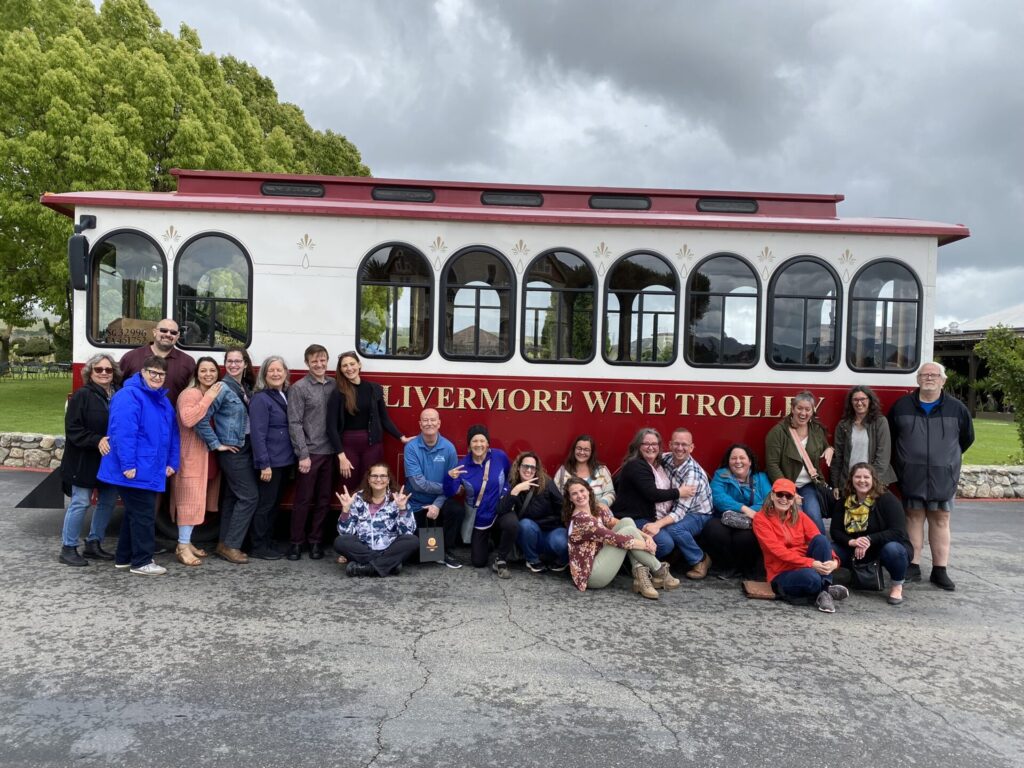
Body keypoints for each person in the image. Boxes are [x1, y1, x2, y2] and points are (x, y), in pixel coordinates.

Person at [889, 361, 974, 591]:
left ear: (943, 380)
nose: (929, 378)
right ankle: (913, 565)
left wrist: (945, 461)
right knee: (913, 517)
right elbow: (893, 439)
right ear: (917, 379)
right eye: (924, 374)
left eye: (934, 375)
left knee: (940, 519)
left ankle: (940, 570)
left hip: (942, 476)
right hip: (912, 474)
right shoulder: (901, 406)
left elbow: (966, 439)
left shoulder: (957, 409)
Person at [97, 355, 180, 576]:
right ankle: (142, 561)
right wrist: (127, 465)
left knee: (135, 514)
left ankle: (124, 558)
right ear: (142, 372)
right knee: (143, 514)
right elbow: (123, 433)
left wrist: (173, 461)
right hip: (134, 470)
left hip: (149, 468)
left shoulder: (162, 400)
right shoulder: (129, 396)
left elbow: (172, 433)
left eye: (161, 374)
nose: (157, 377)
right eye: (152, 372)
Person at [565, 476, 677, 599]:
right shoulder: (582, 520)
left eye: (582, 491)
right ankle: (659, 570)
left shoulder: (595, 509)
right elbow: (617, 540)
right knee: (627, 533)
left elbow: (615, 522)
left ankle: (641, 575)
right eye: (574, 494)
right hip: (591, 575)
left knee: (627, 521)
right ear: (570, 499)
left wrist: (647, 537)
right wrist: (646, 546)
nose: (580, 496)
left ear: (588, 490)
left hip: (599, 556)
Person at [195, 348, 258, 565]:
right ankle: (232, 546)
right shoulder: (221, 388)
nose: (233, 365)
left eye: (237, 361)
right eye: (229, 361)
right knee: (250, 497)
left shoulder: (243, 387)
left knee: (233, 496)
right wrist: (216, 444)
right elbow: (201, 418)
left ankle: (224, 543)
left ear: (245, 364)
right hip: (233, 450)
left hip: (246, 446)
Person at [58, 354, 122, 566]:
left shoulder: (118, 395)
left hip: (109, 459)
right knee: (81, 502)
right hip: (83, 459)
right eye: (99, 369)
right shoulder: (81, 396)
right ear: (90, 372)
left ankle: (94, 543)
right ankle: (68, 548)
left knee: (108, 501)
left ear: (114, 373)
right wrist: (96, 440)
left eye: (108, 370)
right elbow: (73, 429)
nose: (104, 373)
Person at [753, 478, 849, 613]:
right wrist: (811, 563)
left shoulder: (800, 516)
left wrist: (834, 561)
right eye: (780, 494)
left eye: (789, 496)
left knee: (820, 539)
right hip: (781, 572)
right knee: (812, 577)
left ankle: (824, 591)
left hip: (805, 566)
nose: (784, 499)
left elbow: (819, 539)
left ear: (793, 499)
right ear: (772, 495)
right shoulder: (760, 519)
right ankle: (826, 590)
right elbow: (778, 552)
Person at [830, 463, 913, 606]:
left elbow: (898, 531)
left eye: (866, 477)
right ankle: (824, 584)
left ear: (873, 479)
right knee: (828, 549)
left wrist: (869, 539)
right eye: (858, 477)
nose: (862, 480)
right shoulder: (845, 501)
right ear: (851, 479)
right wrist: (852, 542)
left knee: (893, 550)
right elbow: (835, 531)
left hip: (883, 547)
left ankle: (897, 586)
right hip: (854, 548)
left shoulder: (887, 499)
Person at [640, 428, 714, 580]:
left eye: (684, 445)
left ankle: (700, 559)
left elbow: (679, 513)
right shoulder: (666, 458)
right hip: (673, 507)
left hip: (697, 513)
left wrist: (657, 525)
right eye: (676, 444)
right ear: (670, 444)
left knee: (674, 529)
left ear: (691, 447)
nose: (680, 448)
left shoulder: (693, 474)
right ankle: (669, 559)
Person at [610, 428, 691, 568]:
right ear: (638, 446)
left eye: (655, 444)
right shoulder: (636, 465)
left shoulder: (657, 465)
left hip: (650, 517)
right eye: (646, 444)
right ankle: (630, 564)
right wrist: (679, 492)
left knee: (675, 535)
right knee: (665, 543)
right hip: (633, 518)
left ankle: (638, 561)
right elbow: (652, 494)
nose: (651, 447)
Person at [326, 351, 408, 486]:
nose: (349, 368)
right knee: (349, 485)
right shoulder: (338, 393)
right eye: (344, 366)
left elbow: (384, 419)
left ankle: (370, 508)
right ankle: (350, 508)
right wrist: (341, 456)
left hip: (372, 445)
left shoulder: (374, 388)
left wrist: (401, 437)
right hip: (348, 447)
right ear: (341, 370)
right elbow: (331, 428)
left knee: (371, 485)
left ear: (359, 365)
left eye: (352, 364)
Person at [170, 357, 223, 566]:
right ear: (196, 373)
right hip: (189, 456)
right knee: (188, 500)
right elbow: (188, 419)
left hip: (205, 456)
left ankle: (187, 541)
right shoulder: (190, 394)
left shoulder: (206, 393)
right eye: (203, 370)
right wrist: (208, 397)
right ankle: (182, 547)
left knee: (197, 499)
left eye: (212, 370)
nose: (208, 374)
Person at [443, 425, 513, 578]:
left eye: (482, 440)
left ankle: (501, 558)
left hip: (500, 510)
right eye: (474, 441)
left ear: (488, 444)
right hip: (480, 517)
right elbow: (450, 493)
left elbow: (511, 475)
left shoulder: (500, 456)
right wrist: (449, 478)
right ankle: (489, 543)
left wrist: (506, 492)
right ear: (469, 445)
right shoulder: (462, 466)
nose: (479, 444)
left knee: (512, 524)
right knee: (478, 562)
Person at [287, 344, 335, 560]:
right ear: (307, 363)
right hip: (311, 453)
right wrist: (303, 454)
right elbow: (295, 422)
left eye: (322, 359)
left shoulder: (334, 385)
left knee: (324, 500)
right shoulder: (299, 388)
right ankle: (296, 543)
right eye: (314, 360)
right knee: (303, 500)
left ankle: (316, 542)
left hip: (330, 453)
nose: (319, 364)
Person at [764, 390, 833, 534]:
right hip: (785, 487)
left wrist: (830, 449)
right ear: (792, 408)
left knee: (814, 517)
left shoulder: (816, 429)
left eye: (807, 409)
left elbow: (824, 445)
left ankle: (822, 551)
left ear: (812, 411)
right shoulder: (778, 432)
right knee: (788, 523)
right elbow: (772, 464)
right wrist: (787, 490)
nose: (803, 413)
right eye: (799, 408)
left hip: (808, 485)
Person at [403, 408, 464, 569]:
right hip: (415, 502)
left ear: (439, 423)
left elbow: (452, 483)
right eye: (425, 420)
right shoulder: (411, 447)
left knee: (456, 510)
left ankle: (447, 552)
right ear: (420, 424)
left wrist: (437, 504)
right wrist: (447, 488)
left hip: (440, 502)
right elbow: (418, 484)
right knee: (416, 556)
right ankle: (431, 552)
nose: (429, 423)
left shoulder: (449, 448)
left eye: (432, 420)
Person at [334, 463, 419, 577]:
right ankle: (389, 565)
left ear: (388, 480)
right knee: (340, 541)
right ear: (368, 479)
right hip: (363, 549)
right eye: (374, 476)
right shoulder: (357, 498)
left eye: (383, 476)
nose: (379, 479)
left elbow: (407, 532)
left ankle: (366, 568)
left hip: (389, 549)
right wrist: (345, 510)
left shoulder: (398, 499)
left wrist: (402, 509)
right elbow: (345, 533)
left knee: (413, 540)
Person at [249, 355, 295, 560]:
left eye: (279, 370)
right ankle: (258, 545)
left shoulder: (283, 394)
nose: (276, 374)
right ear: (264, 375)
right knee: (265, 505)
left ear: (285, 373)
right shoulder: (261, 398)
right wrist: (264, 464)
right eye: (271, 371)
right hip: (271, 462)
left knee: (275, 503)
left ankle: (267, 540)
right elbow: (258, 434)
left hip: (283, 460)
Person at [703, 443, 772, 580]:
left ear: (750, 461)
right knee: (713, 530)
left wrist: (751, 512)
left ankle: (746, 567)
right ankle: (728, 566)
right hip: (725, 517)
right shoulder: (721, 475)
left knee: (745, 537)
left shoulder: (761, 477)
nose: (738, 461)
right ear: (728, 462)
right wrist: (743, 509)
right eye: (733, 458)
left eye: (742, 458)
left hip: (751, 520)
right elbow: (718, 497)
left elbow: (768, 500)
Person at [502, 451, 568, 573]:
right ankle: (532, 560)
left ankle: (561, 561)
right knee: (525, 524)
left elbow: (562, 506)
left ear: (537, 469)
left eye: (532, 467)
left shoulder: (547, 483)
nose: (528, 470)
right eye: (525, 466)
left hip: (551, 531)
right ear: (518, 467)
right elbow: (502, 510)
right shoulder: (513, 484)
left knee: (563, 542)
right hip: (529, 533)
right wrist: (516, 490)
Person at [831, 385, 896, 495]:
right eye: (855, 400)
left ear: (870, 401)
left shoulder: (880, 422)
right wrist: (836, 484)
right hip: (849, 482)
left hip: (874, 482)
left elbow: (883, 457)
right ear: (851, 403)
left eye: (863, 399)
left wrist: (871, 481)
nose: (859, 403)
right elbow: (838, 458)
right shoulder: (843, 425)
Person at [118, 318, 195, 404]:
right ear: (154, 332)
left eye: (173, 332)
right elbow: (116, 386)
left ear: (177, 336)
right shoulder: (131, 357)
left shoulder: (188, 362)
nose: (168, 334)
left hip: (172, 416)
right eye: (163, 330)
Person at [552, 434, 616, 512]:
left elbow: (610, 493)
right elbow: (555, 497)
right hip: (574, 517)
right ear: (574, 450)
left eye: (586, 449)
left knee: (627, 521)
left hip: (600, 515)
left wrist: (603, 503)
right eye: (579, 448)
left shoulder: (602, 471)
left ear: (592, 452)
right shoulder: (562, 472)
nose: (582, 452)